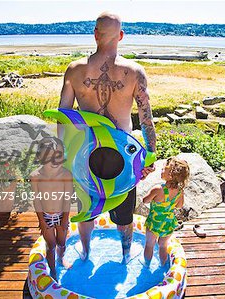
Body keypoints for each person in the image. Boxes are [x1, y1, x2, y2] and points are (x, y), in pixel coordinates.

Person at [58, 12, 156, 263]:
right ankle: (125, 255)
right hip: (122, 154)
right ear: (121, 36)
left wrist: (64, 156)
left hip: (85, 151)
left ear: (95, 34)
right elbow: (146, 119)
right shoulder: (134, 72)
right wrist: (150, 156)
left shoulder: (75, 70)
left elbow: (63, 117)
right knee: (124, 210)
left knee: (87, 208)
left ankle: (86, 252)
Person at [30, 137, 73, 280]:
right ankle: (53, 270)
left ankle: (61, 260)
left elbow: (67, 199)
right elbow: (37, 200)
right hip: (46, 216)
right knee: (51, 245)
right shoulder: (35, 176)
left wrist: (65, 219)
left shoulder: (66, 174)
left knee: (62, 242)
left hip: (62, 215)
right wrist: (42, 221)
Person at [142, 157, 190, 266]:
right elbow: (179, 206)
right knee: (163, 246)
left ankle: (146, 265)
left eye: (164, 169)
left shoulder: (158, 189)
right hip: (168, 223)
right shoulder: (179, 192)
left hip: (154, 222)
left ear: (171, 175)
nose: (161, 170)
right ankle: (163, 265)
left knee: (149, 245)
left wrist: (152, 198)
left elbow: (145, 200)